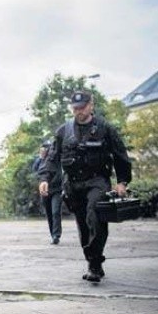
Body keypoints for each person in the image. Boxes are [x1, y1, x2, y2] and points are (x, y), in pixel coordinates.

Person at [38, 91, 132, 283]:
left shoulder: (104, 128)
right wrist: (45, 178)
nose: (78, 112)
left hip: (97, 181)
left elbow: (120, 155)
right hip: (73, 184)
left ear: (91, 105)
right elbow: (52, 157)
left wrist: (122, 181)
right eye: (75, 108)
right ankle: (93, 262)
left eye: (82, 107)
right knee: (83, 225)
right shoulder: (64, 131)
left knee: (95, 216)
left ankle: (94, 264)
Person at [33, 140, 62, 244]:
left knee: (55, 212)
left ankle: (56, 235)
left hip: (57, 189)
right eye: (45, 147)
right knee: (49, 213)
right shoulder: (40, 160)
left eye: (49, 147)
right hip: (45, 190)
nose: (47, 149)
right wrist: (41, 157)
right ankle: (53, 235)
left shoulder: (56, 157)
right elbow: (35, 169)